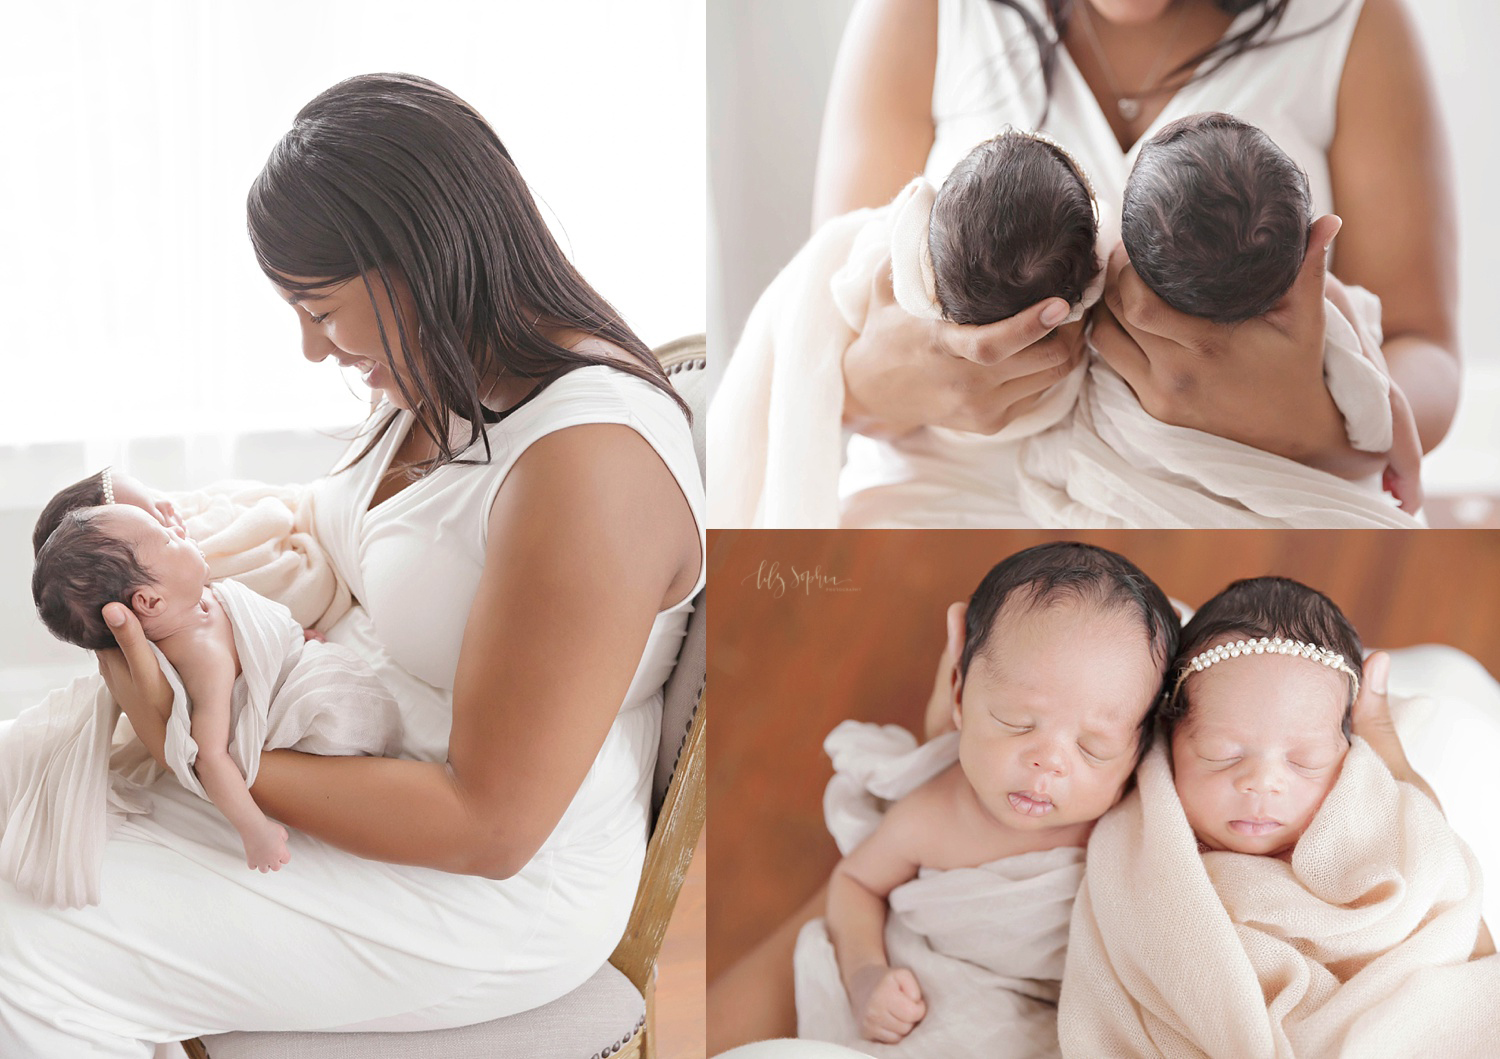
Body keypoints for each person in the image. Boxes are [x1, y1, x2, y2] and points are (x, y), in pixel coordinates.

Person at [0, 72, 703, 1056]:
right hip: (346, 782)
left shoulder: (591, 467)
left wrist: (200, 751)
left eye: (321, 311)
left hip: (479, 893)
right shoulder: (447, 382)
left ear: (419, 263)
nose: (307, 347)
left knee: (22, 950)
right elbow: (348, 537)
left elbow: (491, 829)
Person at [814, 0, 1452, 513]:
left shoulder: (1352, 20)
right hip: (933, 503)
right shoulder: (919, 13)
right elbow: (821, 325)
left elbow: (1422, 348)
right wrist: (884, 385)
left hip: (1234, 498)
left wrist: (1309, 428)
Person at [1061, 576, 1500, 1055]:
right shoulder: (1140, 849)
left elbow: (1446, 936)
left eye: (1304, 761)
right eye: (1222, 754)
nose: (1263, 782)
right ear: (1171, 737)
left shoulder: (1387, 834)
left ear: (1349, 753)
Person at [794, 542, 1177, 1056]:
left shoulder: (1134, 821)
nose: (1049, 762)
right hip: (948, 1003)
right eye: (1016, 723)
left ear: (1138, 751)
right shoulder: (933, 816)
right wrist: (866, 975)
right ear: (957, 694)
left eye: (1093, 747)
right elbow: (856, 882)